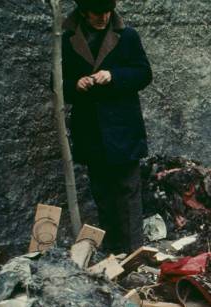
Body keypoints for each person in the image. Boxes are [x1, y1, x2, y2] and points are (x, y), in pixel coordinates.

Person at [62, 0, 152, 253]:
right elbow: (57, 83)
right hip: (90, 130)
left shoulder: (127, 36)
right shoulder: (67, 39)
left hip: (123, 128)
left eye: (107, 12)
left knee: (128, 191)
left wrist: (114, 76)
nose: (103, 18)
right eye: (96, 13)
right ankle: (112, 250)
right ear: (83, 12)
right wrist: (74, 85)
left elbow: (144, 73)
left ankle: (134, 253)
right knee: (102, 192)